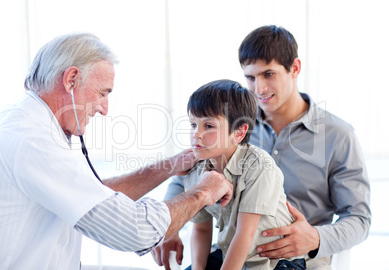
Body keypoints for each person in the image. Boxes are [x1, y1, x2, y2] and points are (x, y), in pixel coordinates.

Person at [0, 33, 233, 270]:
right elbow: (136, 231)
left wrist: (170, 165)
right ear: (71, 79)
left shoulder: (23, 124)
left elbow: (94, 195)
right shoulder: (33, 142)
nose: (104, 109)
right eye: (102, 93)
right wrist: (202, 192)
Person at [151, 25, 371, 270]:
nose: (259, 89)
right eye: (250, 77)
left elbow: (359, 219)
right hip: (231, 256)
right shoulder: (228, 125)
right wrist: (170, 228)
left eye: (269, 74)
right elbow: (186, 179)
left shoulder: (339, 136)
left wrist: (315, 238)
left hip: (299, 261)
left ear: (295, 68)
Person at [183, 79, 306, 270]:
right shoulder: (196, 171)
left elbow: (245, 234)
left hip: (275, 262)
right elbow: (200, 229)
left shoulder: (259, 166)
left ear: (239, 133)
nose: (196, 134)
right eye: (192, 124)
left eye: (208, 126)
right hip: (231, 255)